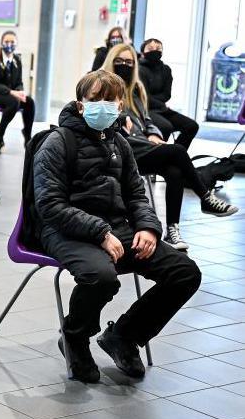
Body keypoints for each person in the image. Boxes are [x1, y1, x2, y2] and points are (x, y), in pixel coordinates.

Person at [33, 69, 202, 383]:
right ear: (80, 104)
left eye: (110, 100)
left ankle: (124, 336)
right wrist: (100, 232)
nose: (103, 106)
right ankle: (74, 337)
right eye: (95, 99)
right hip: (66, 230)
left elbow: (136, 193)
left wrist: (149, 228)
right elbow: (50, 205)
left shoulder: (119, 143)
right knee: (101, 276)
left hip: (115, 229)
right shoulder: (57, 142)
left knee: (185, 273)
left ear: (121, 104)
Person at [101, 44, 236, 250]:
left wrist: (153, 132)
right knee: (177, 151)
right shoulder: (101, 86)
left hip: (141, 146)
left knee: (174, 171)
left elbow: (146, 119)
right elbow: (97, 116)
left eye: (129, 62)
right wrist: (120, 119)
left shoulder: (136, 89)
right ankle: (205, 197)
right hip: (118, 149)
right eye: (119, 61)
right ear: (111, 60)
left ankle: (173, 230)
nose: (125, 66)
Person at [139, 38, 199, 149]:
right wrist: (160, 102)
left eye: (158, 48)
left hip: (162, 109)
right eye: (150, 48)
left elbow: (167, 95)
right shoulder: (139, 70)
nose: (155, 50)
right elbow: (144, 97)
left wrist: (158, 102)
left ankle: (176, 156)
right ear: (143, 52)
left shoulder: (166, 69)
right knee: (166, 127)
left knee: (192, 126)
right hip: (146, 110)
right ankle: (159, 157)